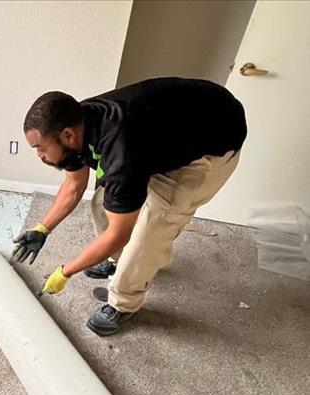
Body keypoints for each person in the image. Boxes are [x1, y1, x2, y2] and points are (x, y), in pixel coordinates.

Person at [13, 77, 247, 336]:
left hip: (213, 143)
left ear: (67, 135)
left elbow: (118, 233)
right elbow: (74, 184)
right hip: (165, 133)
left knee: (154, 228)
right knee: (102, 205)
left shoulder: (120, 152)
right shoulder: (75, 124)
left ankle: (124, 304)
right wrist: (42, 228)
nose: (39, 155)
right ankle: (121, 262)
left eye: (39, 148)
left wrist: (65, 272)